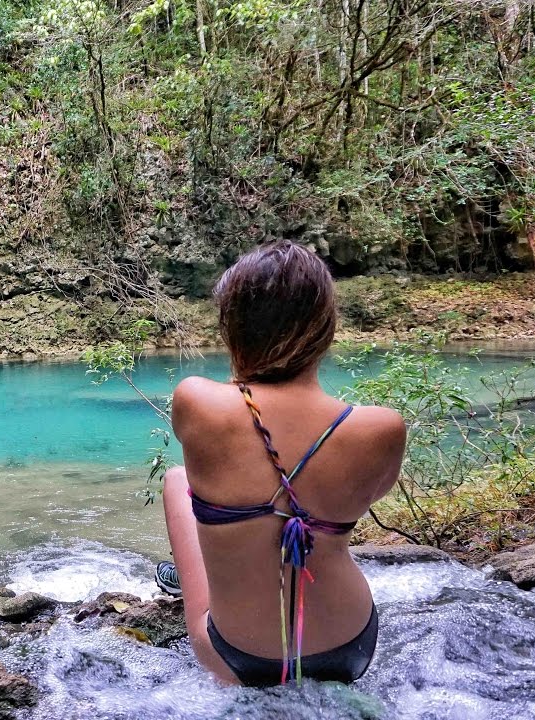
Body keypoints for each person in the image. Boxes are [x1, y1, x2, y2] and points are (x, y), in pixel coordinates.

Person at [154, 241, 406, 687]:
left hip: (238, 655)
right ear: (325, 328)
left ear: (234, 326)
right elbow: (368, 495)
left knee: (176, 479)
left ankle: (183, 579)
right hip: (352, 646)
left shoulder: (197, 401)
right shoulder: (381, 428)